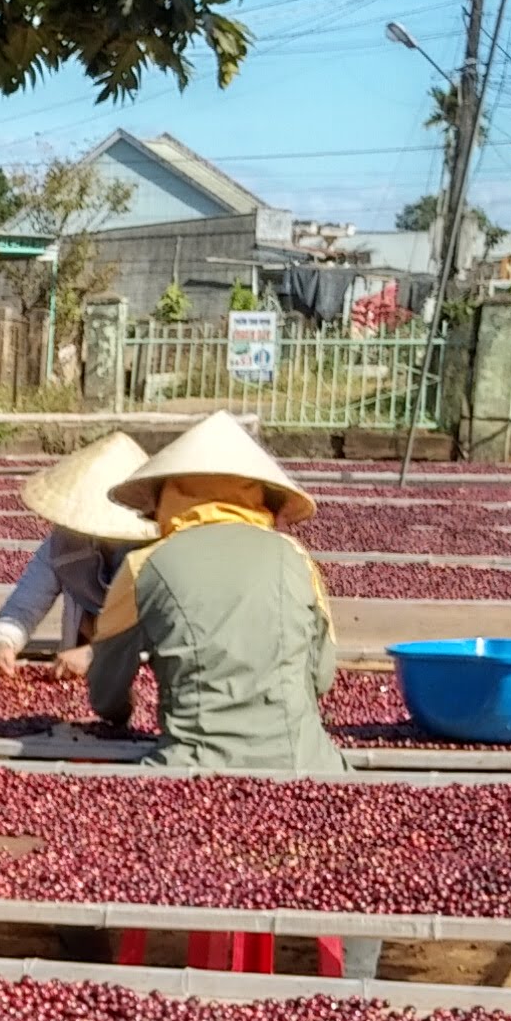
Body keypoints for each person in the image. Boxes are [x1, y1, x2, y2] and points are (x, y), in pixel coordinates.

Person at [74, 412, 344, 975]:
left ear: (168, 498)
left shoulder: (145, 565)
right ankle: (357, 987)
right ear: (262, 499)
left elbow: (105, 693)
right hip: (306, 776)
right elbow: (320, 679)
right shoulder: (296, 560)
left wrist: (129, 711)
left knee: (86, 831)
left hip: (189, 784)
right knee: (357, 879)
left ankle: (103, 955)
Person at [0, 433, 155, 674]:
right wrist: (3, 642)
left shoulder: (161, 553)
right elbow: (23, 608)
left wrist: (98, 654)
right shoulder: (64, 545)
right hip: (77, 677)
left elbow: (170, 632)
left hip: (146, 680)